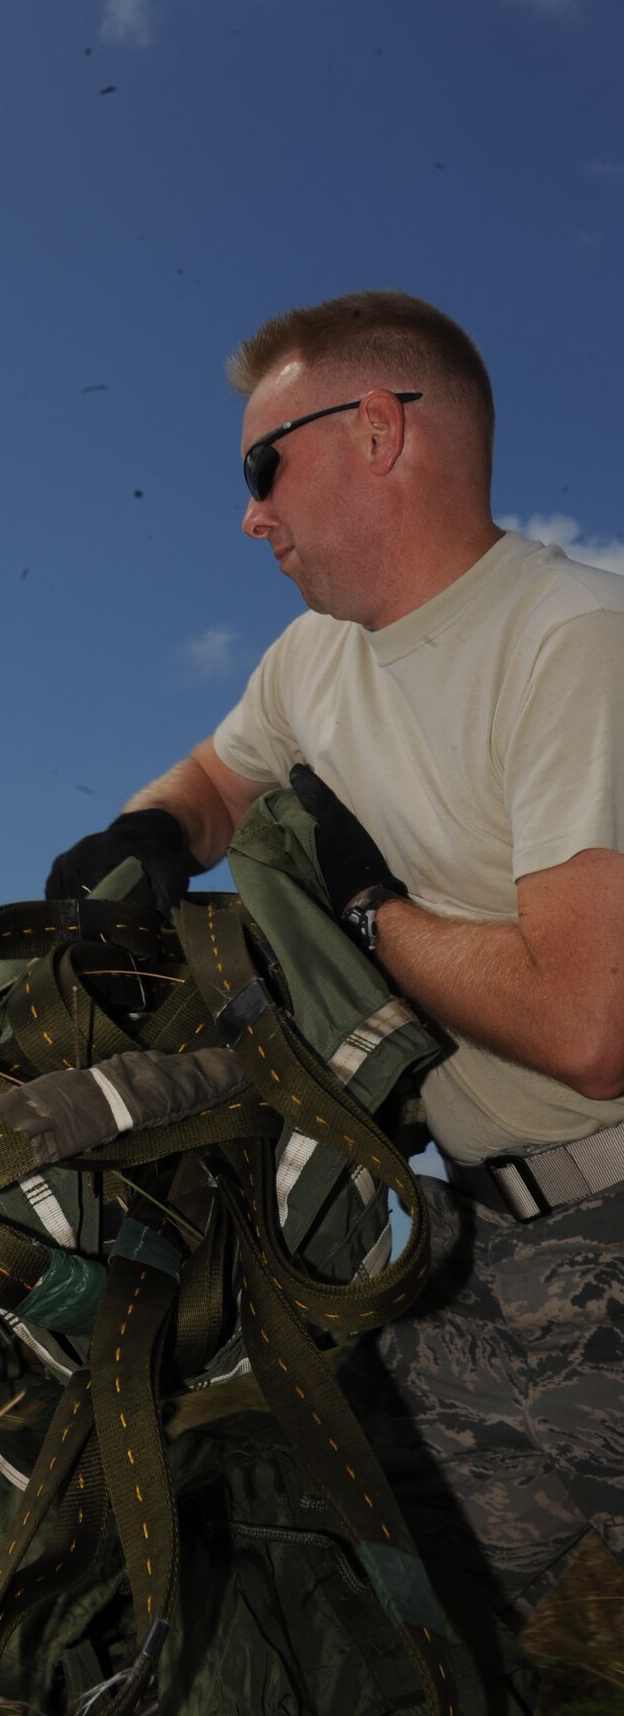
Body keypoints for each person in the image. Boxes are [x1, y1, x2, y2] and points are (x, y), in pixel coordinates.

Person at [46, 290, 624, 1671]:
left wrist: (368, 912)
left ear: (377, 431)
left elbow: (588, 1025)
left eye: (265, 466)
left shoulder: (574, 642)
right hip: (479, 1262)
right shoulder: (313, 662)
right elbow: (215, 782)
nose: (250, 516)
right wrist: (146, 837)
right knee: (331, 1651)